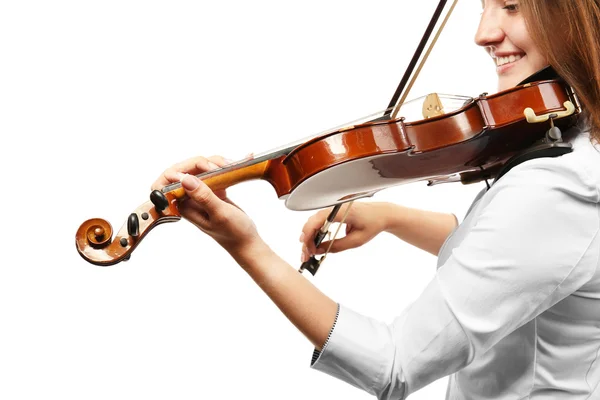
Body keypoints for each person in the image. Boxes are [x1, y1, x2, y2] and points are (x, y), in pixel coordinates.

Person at [152, 0, 600, 398]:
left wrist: (247, 247)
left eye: (511, 6)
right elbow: (518, 258)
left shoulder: (557, 190)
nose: (482, 32)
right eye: (482, 6)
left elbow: (394, 366)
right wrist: (390, 216)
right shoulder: (581, 142)